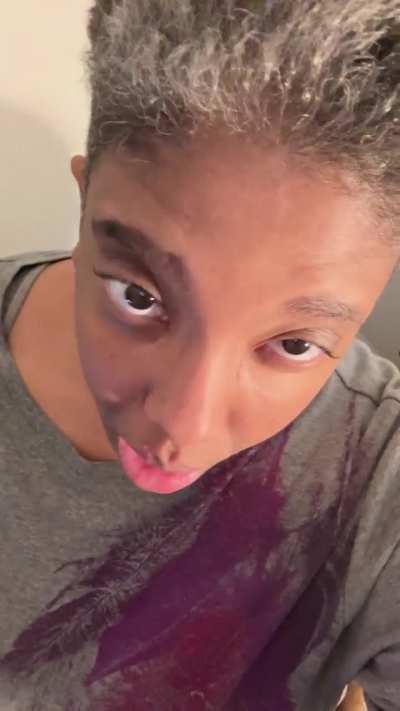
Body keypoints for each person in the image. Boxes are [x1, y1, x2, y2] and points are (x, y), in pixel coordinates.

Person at [0, 0, 399, 709]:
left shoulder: (379, 481)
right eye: (139, 296)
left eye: (294, 344)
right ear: (84, 200)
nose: (182, 429)